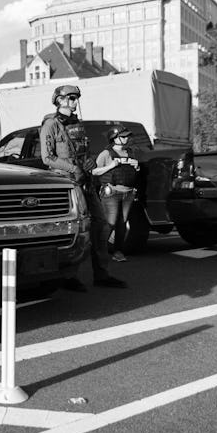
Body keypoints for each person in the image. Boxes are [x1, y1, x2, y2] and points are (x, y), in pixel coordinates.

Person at [39, 85, 127, 289]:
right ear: (59, 100)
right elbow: (47, 157)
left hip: (85, 182)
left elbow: (83, 151)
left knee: (101, 225)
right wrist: (73, 168)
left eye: (76, 97)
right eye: (70, 98)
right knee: (72, 229)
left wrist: (90, 162)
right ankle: (68, 276)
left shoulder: (77, 124)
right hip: (66, 183)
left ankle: (102, 274)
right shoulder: (50, 125)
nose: (74, 101)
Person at [92, 125, 139, 263]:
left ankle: (118, 251)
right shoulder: (106, 154)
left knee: (122, 223)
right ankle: (98, 251)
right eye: (123, 136)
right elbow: (94, 172)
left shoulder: (130, 152)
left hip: (128, 193)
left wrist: (136, 166)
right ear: (114, 138)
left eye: (127, 136)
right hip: (111, 193)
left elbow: (133, 172)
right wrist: (111, 166)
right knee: (110, 223)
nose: (126, 139)